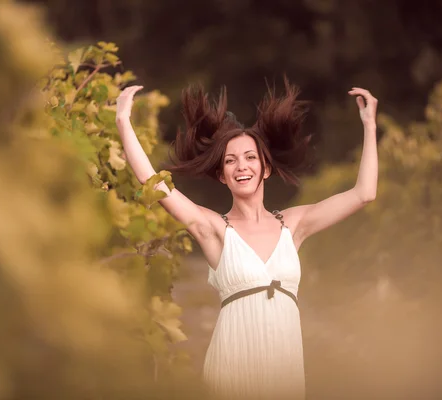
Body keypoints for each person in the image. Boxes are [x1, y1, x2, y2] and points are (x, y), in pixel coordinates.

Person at [115, 79, 378, 400]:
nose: (242, 166)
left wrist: (369, 125)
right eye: (230, 161)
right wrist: (123, 123)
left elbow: (364, 193)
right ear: (221, 175)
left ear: (266, 168)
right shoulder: (214, 228)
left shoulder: (293, 225)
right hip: (233, 370)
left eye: (251, 158)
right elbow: (156, 186)